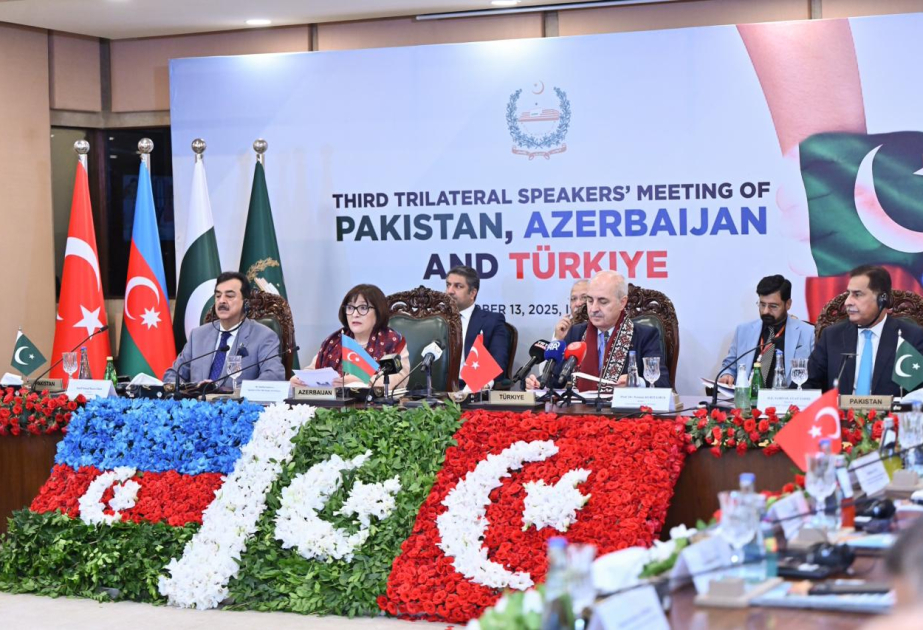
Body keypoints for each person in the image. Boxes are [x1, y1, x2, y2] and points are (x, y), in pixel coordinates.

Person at [526, 270, 669, 392]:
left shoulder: (645, 336)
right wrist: (537, 384)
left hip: (623, 414)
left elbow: (662, 383)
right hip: (577, 412)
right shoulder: (576, 333)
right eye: (590, 300)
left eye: (603, 301)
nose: (593, 309)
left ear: (622, 302)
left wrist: (636, 382)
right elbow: (556, 378)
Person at [805, 265, 923, 395]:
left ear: (882, 299)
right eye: (848, 294)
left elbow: (919, 391)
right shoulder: (832, 336)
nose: (847, 302)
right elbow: (806, 384)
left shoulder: (911, 337)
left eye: (857, 294)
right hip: (840, 408)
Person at [163, 271, 285, 387]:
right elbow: (173, 375)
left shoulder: (264, 336)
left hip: (237, 401)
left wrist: (230, 392)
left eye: (229, 296)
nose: (221, 301)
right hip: (197, 401)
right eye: (218, 296)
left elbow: (274, 376)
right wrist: (191, 389)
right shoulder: (198, 335)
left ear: (246, 302)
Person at [291, 284, 410, 388]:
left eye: (363, 308)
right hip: (333, 404)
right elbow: (313, 369)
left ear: (378, 312)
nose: (355, 314)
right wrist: (300, 379)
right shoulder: (335, 341)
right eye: (350, 308)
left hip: (374, 405)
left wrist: (361, 381)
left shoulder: (391, 341)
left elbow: (399, 379)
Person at [718, 274, 815, 387]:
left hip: (787, 396)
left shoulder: (807, 333)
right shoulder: (743, 331)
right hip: (749, 396)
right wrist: (727, 374)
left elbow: (814, 375)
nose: (765, 311)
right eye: (762, 305)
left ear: (788, 304)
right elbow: (729, 366)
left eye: (773, 306)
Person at [444, 265, 510, 388]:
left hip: (472, 387)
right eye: (448, 285)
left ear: (472, 293)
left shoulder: (492, 321)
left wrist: (480, 386)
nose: (450, 291)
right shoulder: (436, 320)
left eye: (458, 286)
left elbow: (498, 363)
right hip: (436, 388)